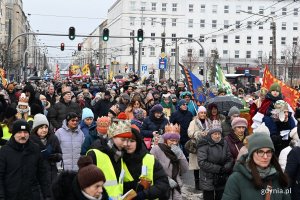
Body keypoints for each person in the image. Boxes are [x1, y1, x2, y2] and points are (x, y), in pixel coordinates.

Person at [222, 131, 290, 200]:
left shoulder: (279, 177)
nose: (265, 156)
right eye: (260, 152)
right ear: (251, 154)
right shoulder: (236, 179)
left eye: (268, 152)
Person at [0, 119, 51, 200]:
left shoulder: (35, 149)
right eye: (19, 132)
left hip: (32, 195)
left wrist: (47, 195)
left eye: (25, 132)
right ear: (13, 134)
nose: (23, 135)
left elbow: (42, 175)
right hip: (11, 195)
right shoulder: (5, 151)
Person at [86, 120, 134, 199]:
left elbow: (120, 183)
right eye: (122, 140)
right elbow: (86, 185)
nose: (126, 144)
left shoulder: (119, 155)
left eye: (127, 140)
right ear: (112, 137)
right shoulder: (94, 154)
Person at [150, 123, 188, 199]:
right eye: (171, 140)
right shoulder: (156, 149)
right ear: (165, 140)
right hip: (161, 184)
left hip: (176, 184)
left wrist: (180, 156)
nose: (174, 143)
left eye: (176, 141)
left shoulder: (177, 150)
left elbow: (184, 169)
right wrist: (166, 179)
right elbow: (152, 168)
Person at [197, 126, 233, 200]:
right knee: (208, 197)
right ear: (210, 135)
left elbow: (229, 158)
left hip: (221, 177)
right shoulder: (204, 144)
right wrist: (219, 169)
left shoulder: (224, 143)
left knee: (220, 197)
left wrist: (226, 168)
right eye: (215, 134)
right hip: (208, 177)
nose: (217, 136)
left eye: (219, 134)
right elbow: (202, 162)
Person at [30, 113, 62, 184]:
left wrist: (55, 156)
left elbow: (59, 153)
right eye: (41, 128)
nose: (44, 130)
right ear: (36, 128)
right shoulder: (30, 140)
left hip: (51, 174)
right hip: (37, 175)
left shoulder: (53, 138)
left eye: (46, 127)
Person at [187, 106, 210, 190]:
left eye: (204, 113)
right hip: (196, 146)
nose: (203, 114)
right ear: (198, 113)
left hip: (206, 146)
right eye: (201, 113)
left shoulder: (208, 122)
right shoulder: (193, 122)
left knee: (205, 165)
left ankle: (204, 183)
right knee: (196, 166)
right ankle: (197, 184)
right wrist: (199, 133)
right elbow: (189, 133)